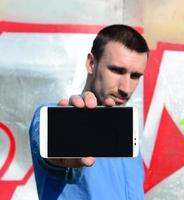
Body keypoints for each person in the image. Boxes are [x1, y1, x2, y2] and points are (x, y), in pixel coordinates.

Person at [29, 24, 149, 200]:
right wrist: (62, 151)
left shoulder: (128, 139)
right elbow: (53, 155)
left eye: (135, 75)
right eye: (117, 70)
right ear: (91, 63)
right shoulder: (52, 116)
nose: (126, 88)